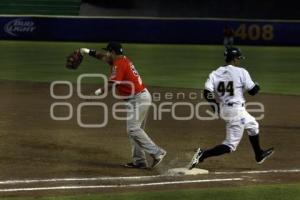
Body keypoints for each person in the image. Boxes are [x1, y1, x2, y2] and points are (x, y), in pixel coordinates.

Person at [79, 42, 166, 169]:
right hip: (137, 98)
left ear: (113, 53)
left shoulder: (119, 64)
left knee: (133, 129)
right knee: (134, 130)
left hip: (139, 98)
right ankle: (140, 161)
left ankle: (158, 153)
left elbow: (112, 84)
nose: (106, 54)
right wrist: (86, 51)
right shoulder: (120, 60)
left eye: (108, 52)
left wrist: (95, 93)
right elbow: (101, 56)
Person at [189, 47, 274, 169]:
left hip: (226, 109)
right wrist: (257, 86)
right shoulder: (241, 72)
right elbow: (253, 92)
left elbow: (207, 92)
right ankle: (203, 154)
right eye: (238, 58)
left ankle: (259, 154)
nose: (239, 60)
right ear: (234, 59)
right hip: (236, 112)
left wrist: (215, 106)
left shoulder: (215, 73)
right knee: (230, 146)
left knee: (253, 126)